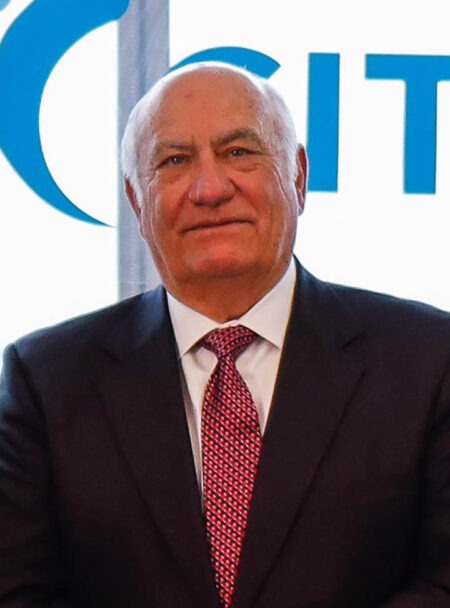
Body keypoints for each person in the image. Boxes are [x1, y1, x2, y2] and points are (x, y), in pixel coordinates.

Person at [1, 62, 450, 608]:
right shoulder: (46, 382)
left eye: (239, 152)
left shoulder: (428, 361)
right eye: (174, 161)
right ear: (137, 200)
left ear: (298, 177)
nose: (210, 189)